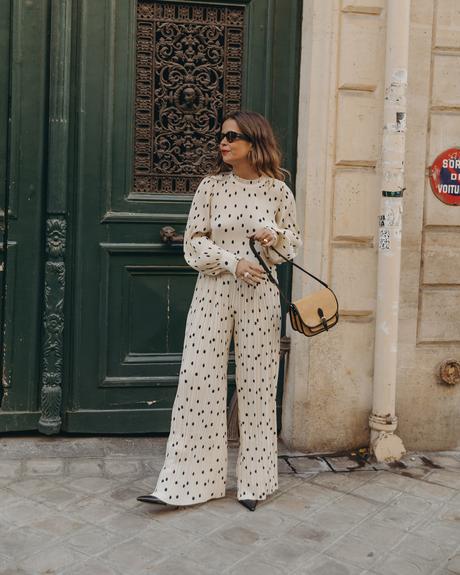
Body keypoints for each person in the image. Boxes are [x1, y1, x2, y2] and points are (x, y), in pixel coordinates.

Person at [137, 110, 302, 512]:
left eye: (232, 136)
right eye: (222, 136)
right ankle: (188, 483)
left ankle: (256, 482)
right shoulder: (211, 187)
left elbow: (291, 246)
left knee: (258, 384)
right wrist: (233, 262)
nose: (223, 142)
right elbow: (193, 243)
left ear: (254, 142)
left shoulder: (278, 191)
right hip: (213, 291)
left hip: (260, 295)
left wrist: (272, 236)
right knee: (197, 379)